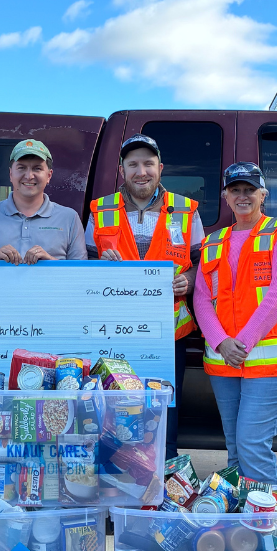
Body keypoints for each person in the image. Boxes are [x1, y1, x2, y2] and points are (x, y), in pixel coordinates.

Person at [193, 162, 277, 484]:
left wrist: (241, 343)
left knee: (251, 442)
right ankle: (241, 524)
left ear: (263, 195)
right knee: (235, 448)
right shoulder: (213, 241)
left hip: (271, 362)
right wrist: (221, 342)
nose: (242, 196)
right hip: (225, 361)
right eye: (236, 190)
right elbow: (203, 299)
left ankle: (268, 524)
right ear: (226, 197)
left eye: (250, 190)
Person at [86, 134, 204, 459]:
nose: (142, 171)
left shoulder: (186, 211)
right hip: (113, 331)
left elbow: (201, 266)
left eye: (148, 163)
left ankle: (161, 486)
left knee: (162, 410)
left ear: (160, 168)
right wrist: (99, 266)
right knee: (112, 410)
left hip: (168, 332)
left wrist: (188, 281)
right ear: (122, 169)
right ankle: (114, 484)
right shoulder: (101, 211)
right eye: (133, 164)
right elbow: (82, 269)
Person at [0, 139, 87, 262]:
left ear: (49, 175)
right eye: (21, 168)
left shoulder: (69, 218)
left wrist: (50, 263)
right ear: (10, 174)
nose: (29, 176)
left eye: (37, 168)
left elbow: (81, 276)